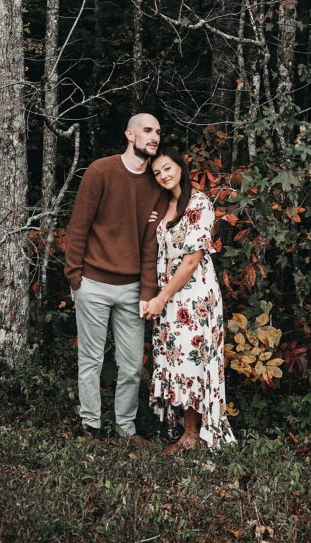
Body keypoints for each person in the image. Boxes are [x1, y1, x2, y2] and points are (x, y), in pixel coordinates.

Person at [63, 113, 167, 444]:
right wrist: (74, 276)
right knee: (90, 360)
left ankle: (126, 429)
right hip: (92, 282)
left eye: (158, 132)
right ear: (129, 134)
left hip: (133, 288)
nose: (154, 137)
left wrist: (148, 291)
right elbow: (78, 225)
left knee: (132, 366)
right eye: (148, 131)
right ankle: (90, 426)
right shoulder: (101, 171)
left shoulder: (156, 183)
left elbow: (151, 243)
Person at [144, 145, 235, 452]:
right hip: (170, 297)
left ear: (180, 167)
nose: (163, 175)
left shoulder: (199, 203)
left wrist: (161, 298)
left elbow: (192, 260)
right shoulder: (164, 205)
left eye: (167, 168)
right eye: (157, 172)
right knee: (177, 361)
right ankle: (186, 430)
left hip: (194, 297)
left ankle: (194, 434)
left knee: (194, 363)